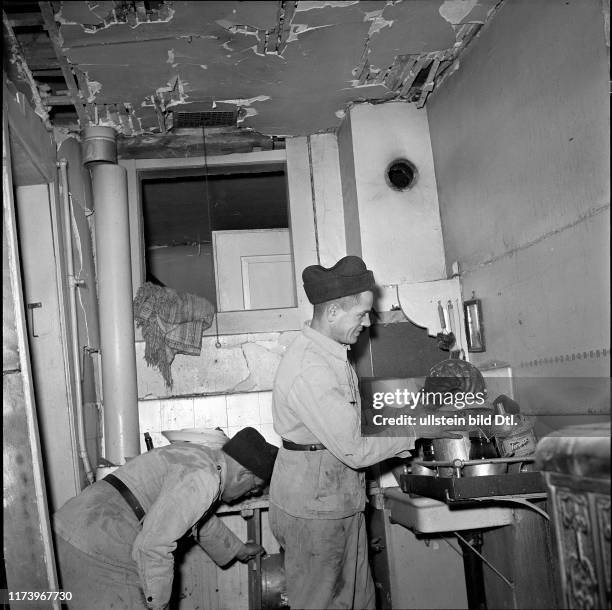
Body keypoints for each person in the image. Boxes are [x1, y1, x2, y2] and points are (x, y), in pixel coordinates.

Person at [269, 255, 458, 610]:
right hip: (316, 509)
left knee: (357, 601)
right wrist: (419, 427)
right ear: (334, 312)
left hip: (333, 498)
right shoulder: (312, 367)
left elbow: (350, 423)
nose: (369, 322)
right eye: (361, 314)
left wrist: (412, 413)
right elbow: (355, 447)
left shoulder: (332, 355)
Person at [53, 427, 278, 610]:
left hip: (75, 528)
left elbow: (193, 516)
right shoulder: (204, 478)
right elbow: (153, 547)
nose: (250, 494)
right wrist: (158, 604)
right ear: (244, 475)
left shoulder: (200, 458)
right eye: (253, 489)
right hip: (98, 545)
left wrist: (238, 549)